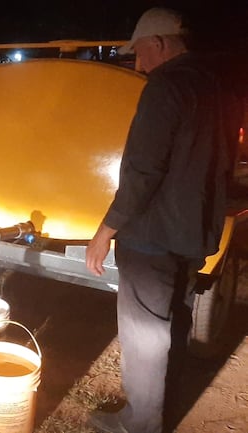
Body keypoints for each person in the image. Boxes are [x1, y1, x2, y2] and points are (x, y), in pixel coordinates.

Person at [85, 8, 244, 433]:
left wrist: (104, 233)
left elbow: (143, 171)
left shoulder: (166, 87)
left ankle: (141, 423)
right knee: (176, 322)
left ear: (159, 43)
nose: (138, 63)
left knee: (145, 331)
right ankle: (160, 409)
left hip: (152, 234)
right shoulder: (223, 88)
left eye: (139, 52)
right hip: (195, 232)